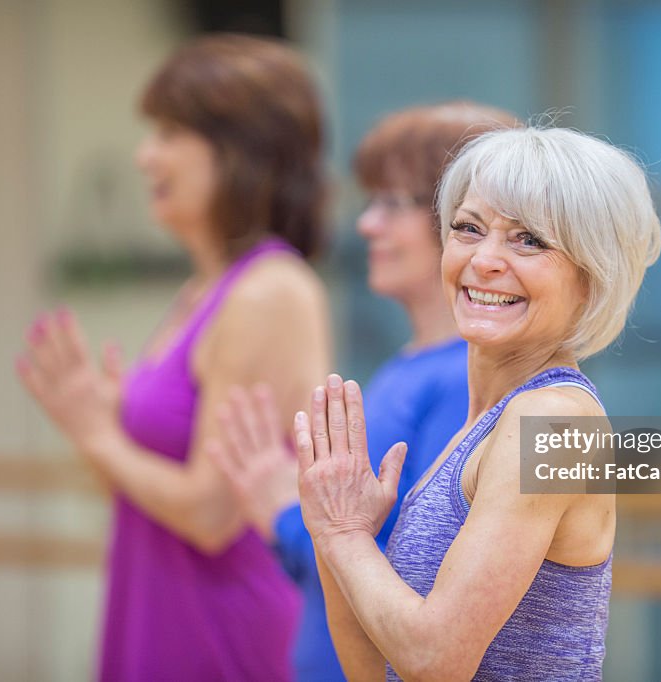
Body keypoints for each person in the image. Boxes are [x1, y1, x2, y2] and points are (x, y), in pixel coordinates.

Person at [287, 126, 661, 680]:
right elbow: (379, 671)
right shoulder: (485, 424)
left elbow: (435, 660)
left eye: (528, 240)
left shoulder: (553, 420)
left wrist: (344, 537)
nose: (484, 259)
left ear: (592, 278)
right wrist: (334, 530)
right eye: (468, 229)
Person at [15, 34, 330, 681]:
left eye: (167, 132)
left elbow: (211, 515)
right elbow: (145, 491)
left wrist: (97, 436)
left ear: (239, 150)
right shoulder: (203, 290)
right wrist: (102, 430)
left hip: (222, 631)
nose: (144, 155)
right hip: (155, 606)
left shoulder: (268, 290)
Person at [208, 102, 518, 680]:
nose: (367, 224)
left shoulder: (465, 380)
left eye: (392, 204)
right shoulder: (413, 367)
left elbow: (415, 575)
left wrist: (283, 513)